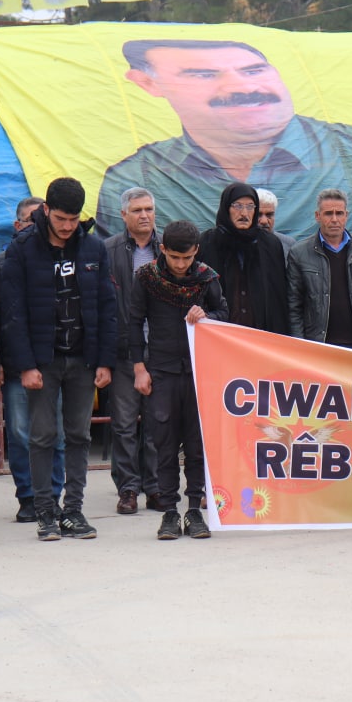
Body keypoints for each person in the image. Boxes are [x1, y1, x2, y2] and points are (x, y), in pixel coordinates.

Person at [96, 39, 352, 237]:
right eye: (202, 75)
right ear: (147, 83)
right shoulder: (135, 178)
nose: (241, 87)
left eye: (254, 71)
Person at [1, 177, 117, 541]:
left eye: (73, 219)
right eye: (61, 218)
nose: (67, 226)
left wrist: (105, 361)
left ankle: (74, 511)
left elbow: (107, 306)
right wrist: (26, 365)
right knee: (42, 436)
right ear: (46, 210)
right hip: (43, 361)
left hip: (83, 359)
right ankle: (45, 512)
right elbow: (12, 311)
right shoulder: (22, 249)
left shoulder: (94, 248)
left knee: (79, 435)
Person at [131, 220, 228, 540]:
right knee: (164, 443)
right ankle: (170, 511)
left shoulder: (207, 278)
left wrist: (207, 316)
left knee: (197, 444)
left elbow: (224, 314)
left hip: (199, 371)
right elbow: (134, 323)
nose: (181, 264)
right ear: (163, 250)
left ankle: (194, 510)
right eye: (174, 257)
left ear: (196, 251)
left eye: (187, 258)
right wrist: (139, 368)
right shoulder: (146, 278)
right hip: (161, 370)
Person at [0, 198, 65, 522]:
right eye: (32, 221)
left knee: (56, 433)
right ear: (18, 226)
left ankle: (53, 496)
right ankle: (29, 497)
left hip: (55, 361)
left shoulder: (62, 257)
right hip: (17, 363)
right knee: (20, 433)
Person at [104, 187, 161, 514]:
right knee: (124, 425)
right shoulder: (108, 250)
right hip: (124, 351)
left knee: (156, 424)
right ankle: (128, 489)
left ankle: (155, 487)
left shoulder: (166, 249)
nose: (144, 215)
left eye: (149, 209)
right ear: (123, 214)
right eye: (137, 210)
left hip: (161, 350)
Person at [288, 189, 352, 351]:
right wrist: (300, 347)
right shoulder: (299, 253)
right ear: (317, 216)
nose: (334, 219)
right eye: (328, 213)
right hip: (318, 346)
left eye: (339, 213)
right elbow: (294, 307)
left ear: (346, 215)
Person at [197, 183, 290, 335]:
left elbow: (277, 298)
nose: (244, 213)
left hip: (260, 335)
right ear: (226, 208)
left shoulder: (269, 244)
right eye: (238, 206)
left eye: (250, 206)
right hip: (219, 334)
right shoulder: (208, 243)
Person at [255, 188, 295, 256]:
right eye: (258, 215)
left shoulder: (288, 244)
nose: (264, 221)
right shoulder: (240, 244)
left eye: (269, 215)